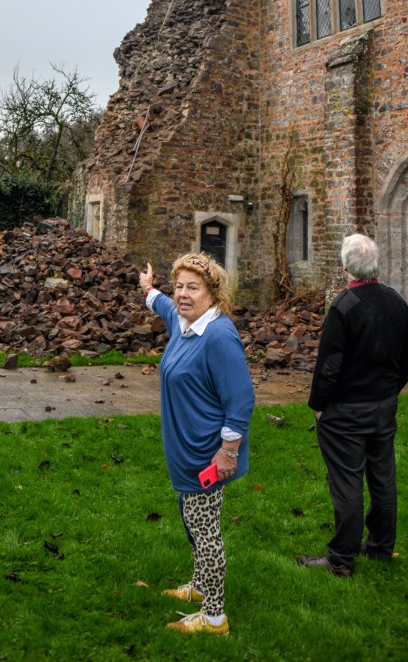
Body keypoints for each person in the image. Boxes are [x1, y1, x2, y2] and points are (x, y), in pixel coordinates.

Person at [139, 253, 255, 636]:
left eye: (193, 287)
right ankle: (201, 585)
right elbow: (166, 307)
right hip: (183, 450)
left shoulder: (217, 336)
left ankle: (215, 617)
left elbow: (240, 402)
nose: (183, 295)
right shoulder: (184, 322)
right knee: (192, 521)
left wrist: (228, 453)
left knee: (205, 532)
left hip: (207, 454)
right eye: (180, 287)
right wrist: (150, 290)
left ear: (213, 293)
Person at [298, 233, 408, 577]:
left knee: (347, 481)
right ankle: (381, 547)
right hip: (382, 406)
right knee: (382, 476)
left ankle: (341, 558)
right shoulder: (396, 300)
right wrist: (390, 390)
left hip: (347, 411)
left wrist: (318, 406)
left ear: (345, 266)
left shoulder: (344, 306)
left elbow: (329, 365)